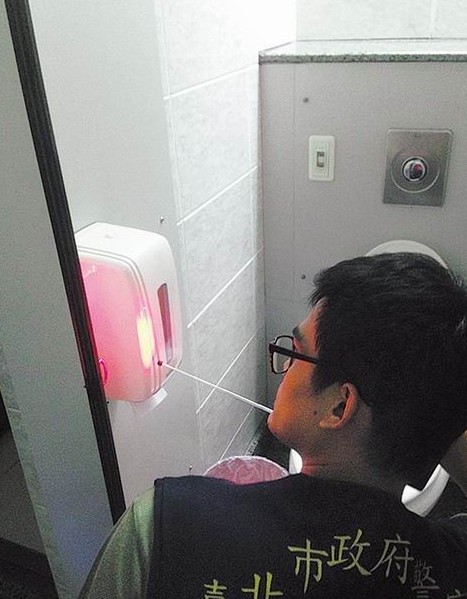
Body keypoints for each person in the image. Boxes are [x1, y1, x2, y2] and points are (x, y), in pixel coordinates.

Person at [79, 252, 467, 599]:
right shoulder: (453, 561)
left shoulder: (163, 526)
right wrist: (437, 412)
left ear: (339, 406)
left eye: (296, 353)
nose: (284, 368)